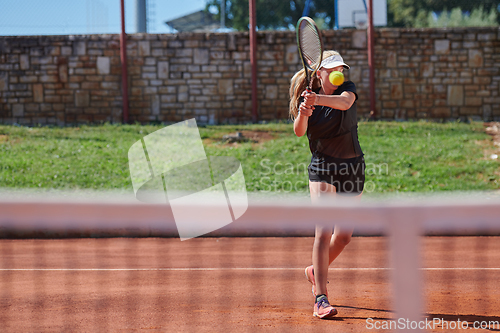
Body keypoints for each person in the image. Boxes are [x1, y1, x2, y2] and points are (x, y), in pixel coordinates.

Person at [289, 50, 365, 319]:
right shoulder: (307, 97)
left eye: (342, 68)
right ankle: (320, 298)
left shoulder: (347, 89)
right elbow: (299, 131)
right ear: (318, 72)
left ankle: (313, 271)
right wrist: (304, 109)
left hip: (353, 166)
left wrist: (318, 98)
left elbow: (344, 104)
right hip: (323, 168)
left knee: (343, 236)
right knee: (323, 231)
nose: (339, 73)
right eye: (333, 68)